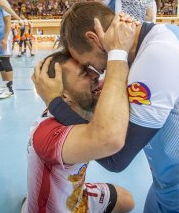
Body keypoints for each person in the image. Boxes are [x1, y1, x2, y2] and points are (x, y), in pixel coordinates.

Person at [36, 2, 179, 212]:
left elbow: (114, 158)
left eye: (90, 63)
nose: (98, 72)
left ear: (94, 39)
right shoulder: (159, 37)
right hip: (172, 185)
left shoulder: (157, 58)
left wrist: (55, 102)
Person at [25, 15, 137, 212]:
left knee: (127, 201)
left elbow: (118, 84)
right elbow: (108, 140)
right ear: (63, 96)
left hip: (78, 193)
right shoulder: (47, 135)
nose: (96, 75)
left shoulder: (77, 102)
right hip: (57, 208)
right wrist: (118, 53)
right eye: (85, 73)